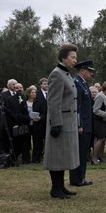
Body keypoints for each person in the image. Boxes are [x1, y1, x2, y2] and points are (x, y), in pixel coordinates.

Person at [44, 44, 79, 199]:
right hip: (60, 122)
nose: (75, 60)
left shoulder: (66, 74)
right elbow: (53, 101)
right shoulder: (57, 74)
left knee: (63, 155)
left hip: (68, 121)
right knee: (57, 155)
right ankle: (55, 188)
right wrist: (56, 123)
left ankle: (61, 186)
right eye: (72, 57)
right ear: (64, 58)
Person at [70, 60, 95, 186]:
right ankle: (77, 179)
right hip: (82, 125)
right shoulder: (77, 83)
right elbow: (77, 106)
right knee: (79, 152)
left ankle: (81, 177)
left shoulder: (83, 83)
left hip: (87, 123)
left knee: (84, 152)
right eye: (89, 71)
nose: (91, 74)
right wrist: (79, 124)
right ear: (82, 71)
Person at [4, 83, 30, 163]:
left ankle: (26, 159)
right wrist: (16, 117)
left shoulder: (25, 97)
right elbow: (8, 109)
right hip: (14, 123)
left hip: (24, 123)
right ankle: (14, 159)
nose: (19, 89)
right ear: (14, 89)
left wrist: (26, 118)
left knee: (26, 143)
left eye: (21, 87)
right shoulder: (10, 99)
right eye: (17, 88)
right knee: (16, 142)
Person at [92, 81, 106, 164]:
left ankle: (100, 156)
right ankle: (94, 158)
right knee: (100, 139)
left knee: (103, 139)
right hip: (99, 121)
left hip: (104, 120)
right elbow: (95, 110)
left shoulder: (105, 96)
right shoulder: (100, 96)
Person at [23, 87, 45, 164]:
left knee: (37, 142)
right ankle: (26, 159)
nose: (34, 94)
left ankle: (36, 158)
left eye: (35, 92)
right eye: (32, 92)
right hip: (27, 124)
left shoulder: (39, 102)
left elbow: (43, 113)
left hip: (37, 124)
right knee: (26, 142)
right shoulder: (24, 102)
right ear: (28, 93)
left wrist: (40, 117)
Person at [33, 77, 48, 163]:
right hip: (39, 121)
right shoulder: (37, 94)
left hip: (48, 121)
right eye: (44, 84)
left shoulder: (50, 94)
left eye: (47, 83)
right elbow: (35, 107)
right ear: (40, 85)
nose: (46, 85)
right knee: (38, 141)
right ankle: (36, 158)